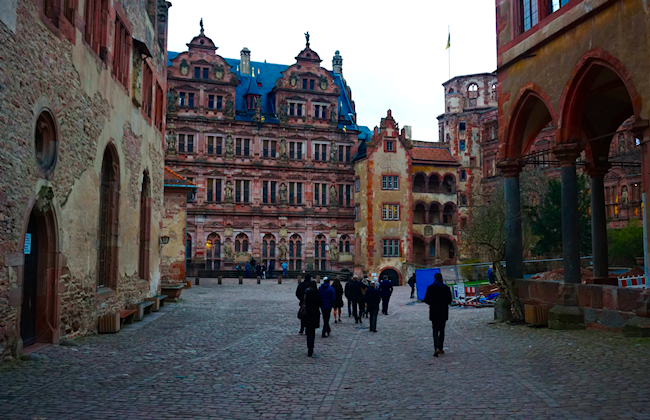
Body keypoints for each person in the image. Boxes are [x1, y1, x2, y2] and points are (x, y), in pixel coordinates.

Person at [424, 272, 453, 357]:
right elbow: (449, 300)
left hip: (434, 311)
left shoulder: (430, 288)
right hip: (443, 311)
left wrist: (432, 303)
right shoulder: (446, 288)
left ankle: (436, 347)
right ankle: (440, 347)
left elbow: (426, 300)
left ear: (435, 279)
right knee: (442, 330)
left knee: (435, 330)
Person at [304, 281, 323, 357]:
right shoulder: (317, 293)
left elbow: (303, 303)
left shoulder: (307, 294)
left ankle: (309, 347)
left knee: (308, 332)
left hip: (307, 314)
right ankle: (311, 347)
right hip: (315, 314)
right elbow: (321, 303)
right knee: (313, 331)